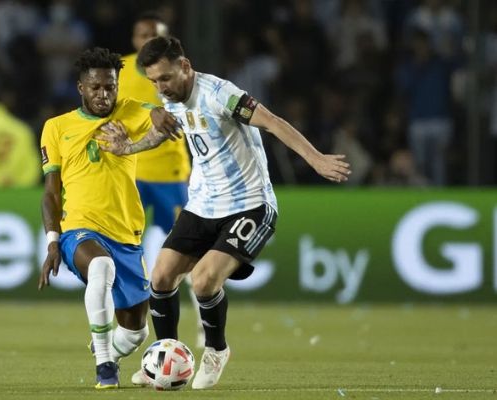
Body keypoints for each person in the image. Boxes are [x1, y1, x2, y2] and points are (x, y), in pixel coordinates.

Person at [98, 36, 351, 389]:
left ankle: (216, 350)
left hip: (249, 204)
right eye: (154, 81)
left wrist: (316, 159)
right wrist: (129, 147)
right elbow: (165, 133)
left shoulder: (221, 95)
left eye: (166, 78)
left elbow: (274, 122)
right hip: (203, 204)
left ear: (185, 66)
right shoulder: (168, 98)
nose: (160, 88)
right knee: (160, 278)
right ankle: (165, 353)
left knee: (203, 280)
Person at [37, 47, 178, 389]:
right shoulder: (57, 128)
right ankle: (104, 367)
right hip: (79, 229)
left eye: (110, 87)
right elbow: (51, 193)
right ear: (80, 88)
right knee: (101, 268)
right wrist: (53, 242)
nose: (104, 94)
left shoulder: (130, 111)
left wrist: (160, 113)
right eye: (96, 87)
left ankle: (109, 350)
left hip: (126, 233)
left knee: (135, 332)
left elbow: (159, 114)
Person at [117, 12, 205, 353]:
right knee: (124, 249)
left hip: (170, 174)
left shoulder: (178, 75)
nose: (146, 41)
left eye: (154, 36)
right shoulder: (120, 72)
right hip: (133, 173)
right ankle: (125, 323)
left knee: (190, 252)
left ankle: (202, 317)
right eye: (142, 35)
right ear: (134, 39)